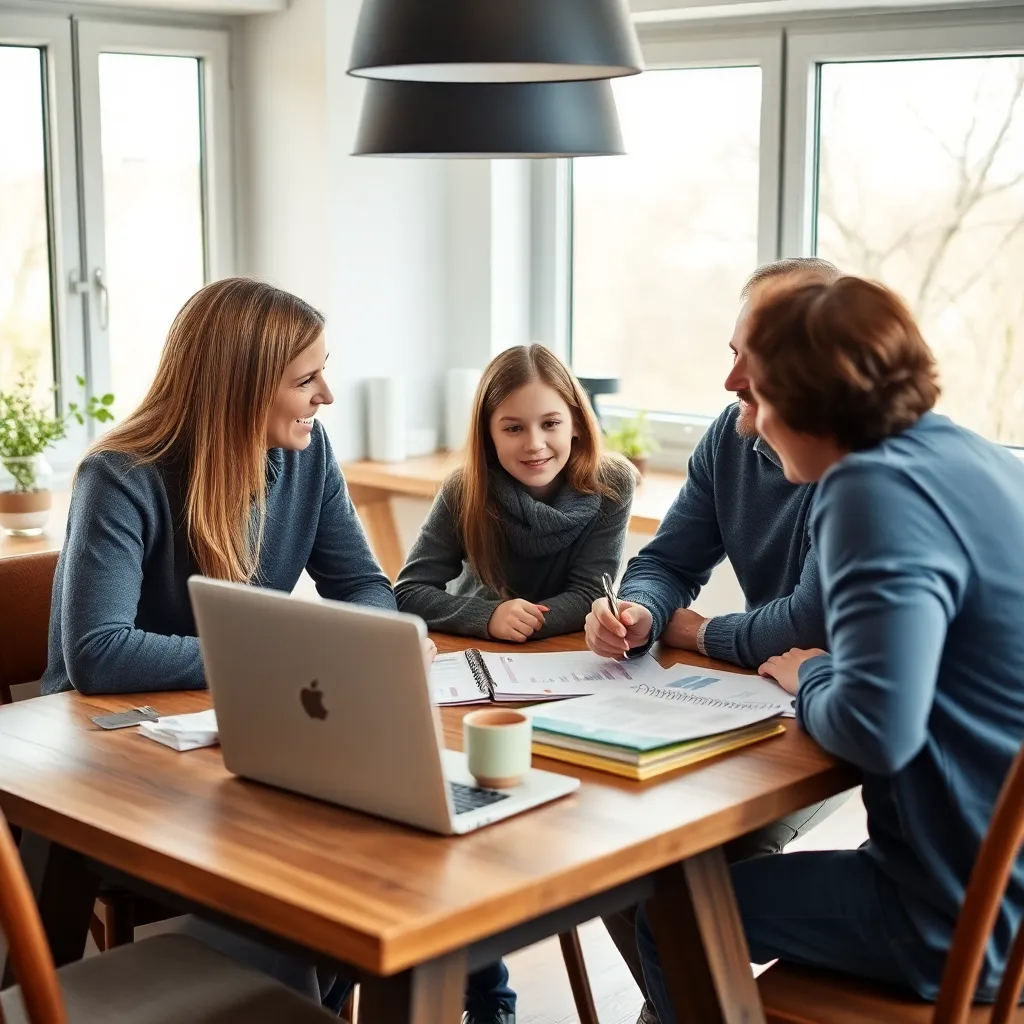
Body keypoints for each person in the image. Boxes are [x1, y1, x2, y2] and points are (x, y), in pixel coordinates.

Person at [40, 277, 508, 1024]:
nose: (326, 394)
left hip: (238, 730)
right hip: (114, 751)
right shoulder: (121, 476)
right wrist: (282, 658)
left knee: (397, 836)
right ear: (241, 387)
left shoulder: (306, 456)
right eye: (305, 379)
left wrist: (364, 647)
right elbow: (100, 653)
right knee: (323, 860)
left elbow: (364, 585)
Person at [637, 275, 1024, 1021]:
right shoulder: (973, 456)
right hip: (1002, 888)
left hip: (958, 918)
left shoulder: (867, 488)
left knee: (673, 915)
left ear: (806, 398)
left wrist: (814, 674)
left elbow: (877, 730)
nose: (741, 402)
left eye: (757, 385)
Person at [583, 258, 845, 1024]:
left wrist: (704, 631)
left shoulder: (856, 470)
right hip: (775, 699)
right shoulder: (731, 439)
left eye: (749, 359)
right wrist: (641, 611)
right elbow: (666, 561)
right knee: (616, 866)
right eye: (732, 352)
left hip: (829, 718)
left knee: (678, 892)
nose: (730, 380)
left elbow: (807, 623)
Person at [396, 343, 636, 643]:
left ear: (576, 423)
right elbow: (409, 592)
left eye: (550, 424)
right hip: (475, 645)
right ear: (488, 435)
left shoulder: (613, 483)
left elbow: (590, 594)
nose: (534, 444)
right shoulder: (463, 489)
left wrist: (525, 623)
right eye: (513, 429)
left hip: (560, 651)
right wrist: (489, 617)